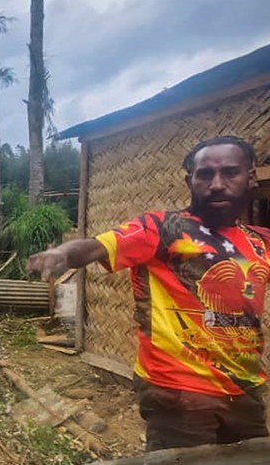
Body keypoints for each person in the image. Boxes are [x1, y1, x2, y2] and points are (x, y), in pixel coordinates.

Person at [27, 136, 270, 452]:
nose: (217, 184)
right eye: (205, 175)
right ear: (189, 180)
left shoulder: (260, 241)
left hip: (245, 388)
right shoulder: (161, 228)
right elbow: (98, 245)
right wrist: (63, 253)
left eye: (230, 172)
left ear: (250, 176)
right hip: (179, 388)